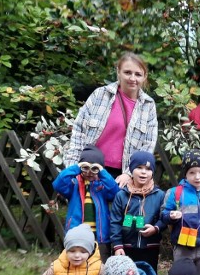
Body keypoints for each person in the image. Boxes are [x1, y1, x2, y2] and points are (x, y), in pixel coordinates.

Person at [64, 53, 158, 188]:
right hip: (90, 169)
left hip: (122, 176)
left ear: (145, 77)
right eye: (127, 72)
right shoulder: (100, 95)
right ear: (118, 72)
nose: (132, 78)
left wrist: (129, 173)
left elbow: (148, 146)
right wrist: (73, 167)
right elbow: (79, 131)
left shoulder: (148, 105)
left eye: (138, 74)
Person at [52, 146, 119, 262]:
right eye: (85, 167)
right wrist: (77, 168)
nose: (89, 172)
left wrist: (102, 172)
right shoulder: (74, 185)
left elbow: (115, 192)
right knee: (77, 263)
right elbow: (58, 184)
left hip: (100, 236)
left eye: (94, 169)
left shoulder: (102, 186)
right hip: (77, 234)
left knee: (101, 264)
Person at [109, 151, 165, 273]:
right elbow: (115, 222)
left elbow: (164, 218)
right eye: (139, 168)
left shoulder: (159, 195)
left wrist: (156, 228)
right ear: (131, 169)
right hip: (126, 247)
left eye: (148, 169)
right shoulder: (121, 195)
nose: (144, 172)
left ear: (153, 173)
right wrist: (117, 245)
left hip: (150, 247)